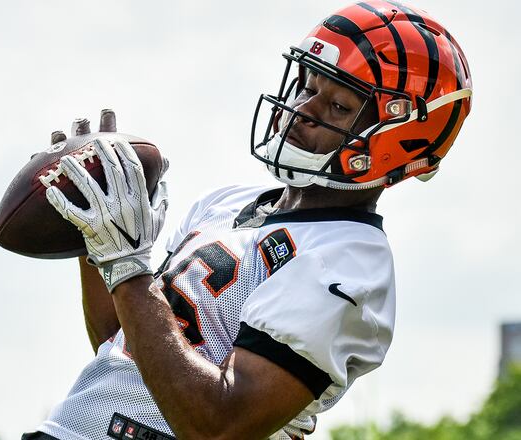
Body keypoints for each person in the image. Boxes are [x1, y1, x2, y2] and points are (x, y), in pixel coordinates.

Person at [24, 1, 472, 439]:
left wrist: (127, 266)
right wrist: (94, 233)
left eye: (337, 106)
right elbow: (125, 349)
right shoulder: (227, 203)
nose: (304, 109)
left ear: (398, 139)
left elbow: (217, 426)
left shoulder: (347, 264)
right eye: (309, 86)